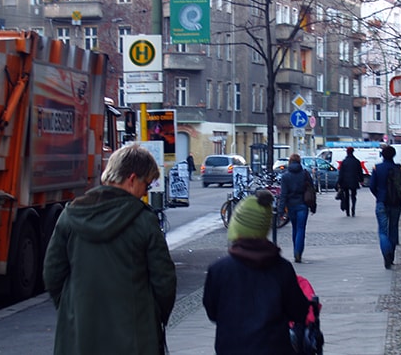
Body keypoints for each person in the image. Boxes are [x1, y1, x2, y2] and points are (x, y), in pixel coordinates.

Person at [43, 144, 177, 355]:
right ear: (132, 179)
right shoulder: (144, 221)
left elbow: (52, 274)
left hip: (79, 336)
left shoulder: (71, 216)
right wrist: (151, 317)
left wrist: (72, 308)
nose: (145, 193)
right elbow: (164, 281)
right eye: (147, 185)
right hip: (135, 336)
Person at [203, 190, 310, 355]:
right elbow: (299, 311)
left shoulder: (219, 270)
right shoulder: (282, 269)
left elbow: (212, 312)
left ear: (237, 226)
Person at [369, 145, 401, 270]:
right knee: (393, 228)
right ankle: (391, 256)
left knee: (382, 231)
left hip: (382, 202)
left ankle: (386, 253)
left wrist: (379, 195)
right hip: (396, 202)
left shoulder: (377, 168)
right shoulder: (399, 169)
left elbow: (372, 186)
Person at [278, 153, 314, 263]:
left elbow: (283, 194)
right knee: (301, 229)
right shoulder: (304, 174)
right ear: (299, 162)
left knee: (294, 228)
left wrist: (281, 209)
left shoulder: (285, 176)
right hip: (303, 204)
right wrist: (313, 206)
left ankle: (295, 251)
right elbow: (312, 189)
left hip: (291, 205)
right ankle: (298, 252)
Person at [337, 146, 364, 217]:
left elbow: (341, 173)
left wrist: (339, 182)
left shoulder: (344, 162)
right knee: (353, 196)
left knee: (346, 196)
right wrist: (361, 180)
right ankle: (353, 209)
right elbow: (360, 172)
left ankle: (347, 211)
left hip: (345, 182)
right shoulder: (357, 161)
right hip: (354, 181)